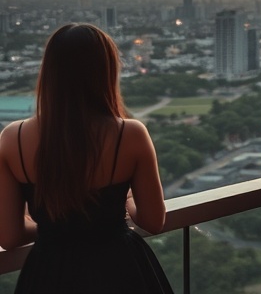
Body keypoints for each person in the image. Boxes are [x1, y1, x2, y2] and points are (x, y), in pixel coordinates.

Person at [0, 23, 172, 293]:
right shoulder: (130, 134)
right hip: (120, 270)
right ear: (105, 71)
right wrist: (124, 202)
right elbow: (153, 220)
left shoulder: (13, 138)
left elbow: (8, 237)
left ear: (49, 72)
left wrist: (54, 228)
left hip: (49, 273)